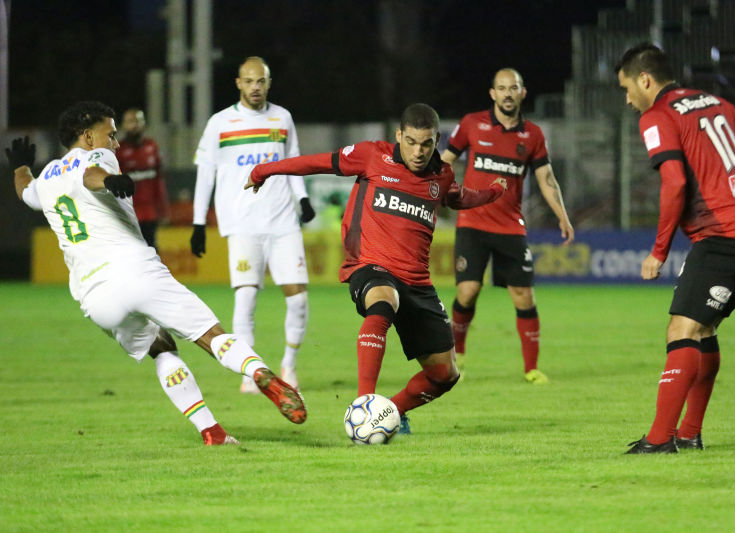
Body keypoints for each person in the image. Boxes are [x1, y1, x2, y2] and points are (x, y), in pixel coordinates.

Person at [7, 101, 306, 446]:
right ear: (89, 137)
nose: (116, 143)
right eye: (111, 134)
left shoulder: (47, 180)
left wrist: (21, 166)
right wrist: (110, 180)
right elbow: (91, 176)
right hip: (135, 271)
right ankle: (260, 373)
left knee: (161, 348)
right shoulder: (98, 158)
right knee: (209, 335)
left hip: (94, 297)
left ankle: (212, 432)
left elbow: (25, 192)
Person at [245, 103, 507, 433]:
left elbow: (459, 197)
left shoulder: (441, 174)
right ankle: (363, 404)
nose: (418, 151)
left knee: (445, 375)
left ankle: (388, 412)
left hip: (418, 283)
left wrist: (496, 191)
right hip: (370, 266)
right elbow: (318, 162)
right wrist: (265, 170)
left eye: (426, 144)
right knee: (383, 302)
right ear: (399, 135)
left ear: (436, 140)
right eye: (411, 141)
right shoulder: (371, 156)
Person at [615, 44, 735, 453]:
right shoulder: (713, 103)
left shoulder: (656, 115)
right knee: (703, 329)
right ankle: (689, 433)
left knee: (680, 330)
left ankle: (660, 439)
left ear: (645, 80)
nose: (627, 99)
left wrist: (659, 250)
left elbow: (675, 183)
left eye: (627, 88)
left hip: (723, 236)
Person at [441, 68, 574, 384]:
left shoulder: (533, 135)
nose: (507, 94)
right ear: (492, 94)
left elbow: (546, 177)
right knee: (468, 291)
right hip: (472, 222)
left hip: (510, 226)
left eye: (513, 88)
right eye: (501, 88)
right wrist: (440, 191)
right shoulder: (472, 124)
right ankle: (457, 351)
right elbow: (445, 160)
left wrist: (562, 215)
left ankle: (531, 369)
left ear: (522, 93)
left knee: (523, 296)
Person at [191, 56, 315, 394]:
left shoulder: (282, 118)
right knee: (246, 298)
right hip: (242, 225)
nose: (255, 87)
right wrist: (198, 222)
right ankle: (252, 373)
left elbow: (294, 163)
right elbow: (206, 174)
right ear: (238, 83)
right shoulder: (220, 122)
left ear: (269, 83)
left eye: (261, 81)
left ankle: (289, 367)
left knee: (299, 300)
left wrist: (302, 199)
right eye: (249, 81)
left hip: (282, 222)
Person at [116, 108, 170, 250]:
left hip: (150, 213)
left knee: (151, 252)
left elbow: (159, 180)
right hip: (128, 215)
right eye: (130, 121)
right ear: (123, 125)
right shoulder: (119, 151)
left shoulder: (152, 147)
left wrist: (163, 208)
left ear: (144, 123)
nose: (134, 125)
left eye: (138, 121)